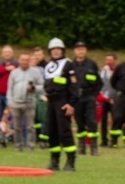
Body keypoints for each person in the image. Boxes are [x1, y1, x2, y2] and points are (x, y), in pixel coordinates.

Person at [42, 38, 79, 171]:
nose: (56, 51)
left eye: (58, 49)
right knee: (52, 131)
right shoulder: (48, 66)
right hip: (51, 102)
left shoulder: (69, 65)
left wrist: (71, 104)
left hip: (63, 102)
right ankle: (54, 160)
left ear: (62, 50)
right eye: (53, 49)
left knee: (64, 131)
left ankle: (70, 161)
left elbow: (74, 86)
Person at [5, 52, 43, 151]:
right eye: (23, 60)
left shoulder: (35, 72)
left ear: (29, 61)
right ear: (19, 60)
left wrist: (34, 88)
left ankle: (30, 146)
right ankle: (18, 146)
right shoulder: (14, 72)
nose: (25, 62)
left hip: (29, 102)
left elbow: (42, 86)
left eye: (27, 60)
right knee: (17, 127)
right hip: (16, 103)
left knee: (30, 126)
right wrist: (10, 100)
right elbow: (10, 87)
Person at [71, 41, 102, 156]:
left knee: (92, 122)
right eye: (78, 49)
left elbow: (99, 82)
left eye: (83, 49)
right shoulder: (71, 65)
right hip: (77, 98)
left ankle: (94, 148)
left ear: (86, 50)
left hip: (89, 97)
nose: (81, 51)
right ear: (75, 51)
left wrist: (94, 95)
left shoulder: (91, 64)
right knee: (79, 123)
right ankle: (81, 147)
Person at [0, 45, 18, 142]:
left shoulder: (16, 64)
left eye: (9, 52)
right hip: (0, 94)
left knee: (12, 117)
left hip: (11, 95)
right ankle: (0, 137)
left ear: (12, 53)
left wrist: (11, 68)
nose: (7, 54)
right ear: (2, 54)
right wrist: (6, 69)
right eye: (5, 52)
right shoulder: (0, 63)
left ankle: (12, 136)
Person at [31, 46, 49, 147]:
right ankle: (37, 136)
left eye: (39, 55)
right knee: (35, 118)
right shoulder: (31, 67)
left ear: (43, 55)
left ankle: (43, 137)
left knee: (43, 117)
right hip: (32, 95)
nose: (37, 57)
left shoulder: (46, 66)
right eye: (35, 55)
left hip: (42, 94)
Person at [99, 53, 117, 147]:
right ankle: (104, 140)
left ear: (115, 60)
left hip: (115, 99)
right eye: (107, 59)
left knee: (115, 120)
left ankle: (113, 140)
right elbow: (101, 84)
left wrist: (113, 97)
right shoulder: (104, 70)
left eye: (110, 59)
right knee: (104, 120)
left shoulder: (118, 70)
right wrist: (104, 97)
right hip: (105, 99)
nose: (108, 61)